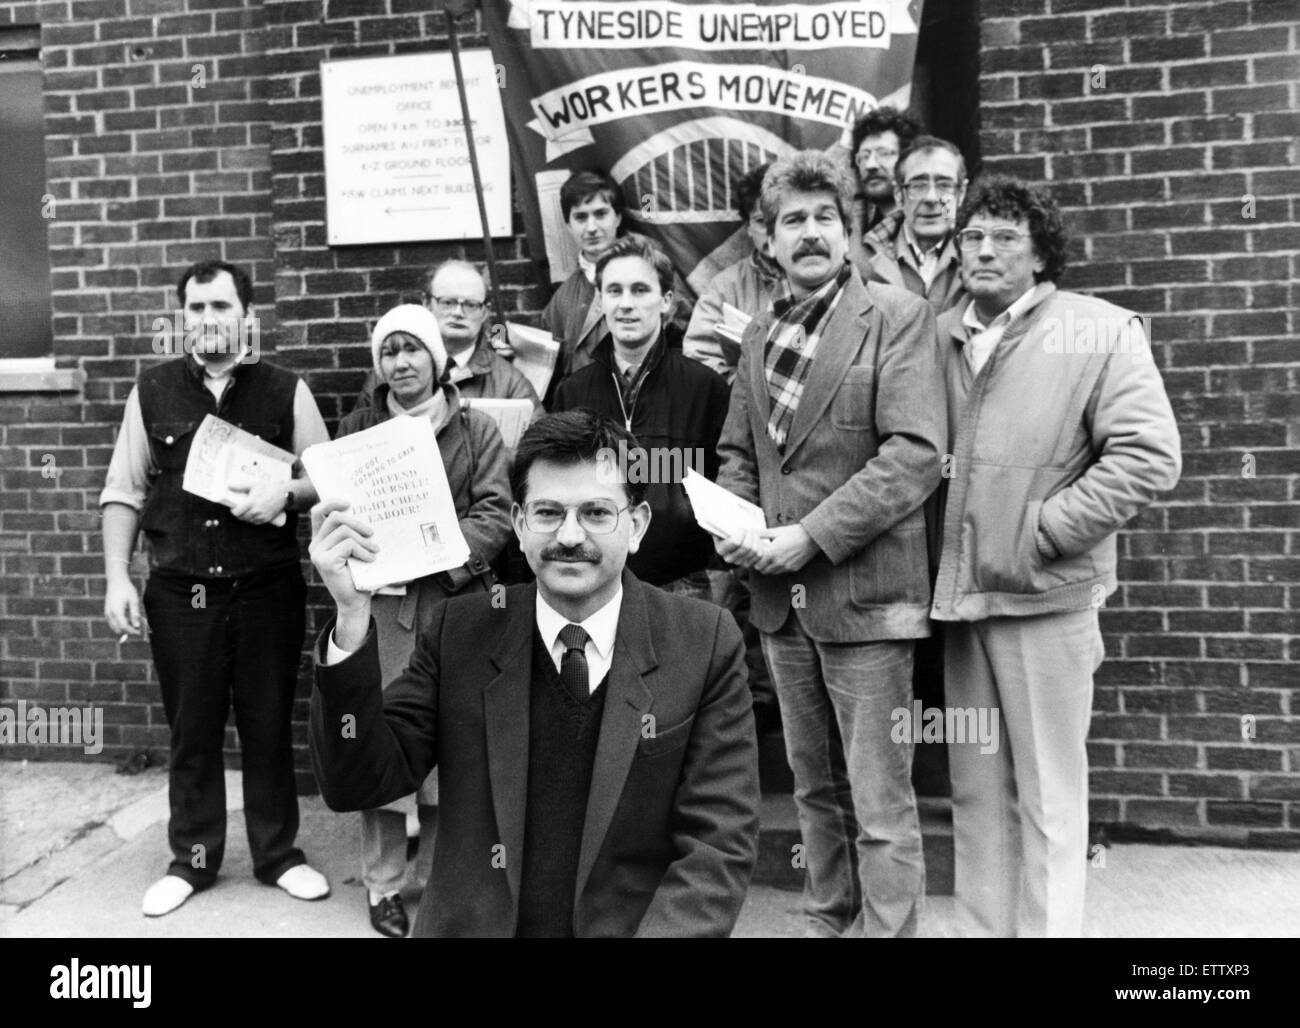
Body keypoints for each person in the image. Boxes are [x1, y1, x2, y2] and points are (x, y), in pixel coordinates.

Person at [308, 409, 760, 937]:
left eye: (595, 512)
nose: (569, 536)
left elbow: (719, 842)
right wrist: (351, 617)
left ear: (636, 526)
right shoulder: (462, 631)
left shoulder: (702, 642)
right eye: (548, 513)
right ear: (520, 525)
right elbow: (357, 781)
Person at [932, 177, 1181, 937]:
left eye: (1005, 237)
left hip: (1046, 601)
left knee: (1048, 798)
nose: (983, 249)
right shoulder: (937, 335)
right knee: (976, 795)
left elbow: (1148, 456)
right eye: (972, 235)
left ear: (1042, 254)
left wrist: (1041, 531)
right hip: (961, 604)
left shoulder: (1098, 330)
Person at [715, 151, 946, 938]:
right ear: (768, 241)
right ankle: (825, 915)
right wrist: (742, 529)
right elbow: (740, 453)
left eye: (824, 218)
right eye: (793, 222)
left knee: (880, 799)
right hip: (782, 604)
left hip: (867, 597)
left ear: (849, 233)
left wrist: (807, 538)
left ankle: (887, 932)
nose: (809, 234)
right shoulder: (758, 333)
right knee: (814, 786)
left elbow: (913, 456)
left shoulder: (898, 316)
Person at [100, 259, 331, 917]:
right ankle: (192, 861)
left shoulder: (287, 390)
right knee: (192, 727)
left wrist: (286, 491)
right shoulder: (151, 391)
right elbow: (124, 489)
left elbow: (326, 477)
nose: (208, 320)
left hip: (266, 588)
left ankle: (278, 855)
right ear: (182, 320)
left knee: (267, 721)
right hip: (179, 591)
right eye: (196, 309)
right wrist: (118, 576)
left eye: (221, 307)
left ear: (246, 317)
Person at [337, 303, 513, 938]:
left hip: (453, 607)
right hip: (384, 612)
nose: (401, 362)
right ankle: (382, 886)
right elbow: (337, 511)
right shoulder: (358, 428)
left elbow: (496, 514)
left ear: (437, 359)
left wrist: (438, 558)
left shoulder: (477, 431)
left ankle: (439, 880)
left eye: (413, 349)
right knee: (384, 747)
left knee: (451, 748)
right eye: (389, 351)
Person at [552, 236, 728, 599]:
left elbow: (727, 482)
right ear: (601, 300)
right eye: (614, 291)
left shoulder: (705, 388)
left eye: (640, 290)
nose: (627, 304)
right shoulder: (571, 393)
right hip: (595, 579)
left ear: (665, 301)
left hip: (685, 583)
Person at [537, 170, 689, 401]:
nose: (591, 227)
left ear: (617, 217)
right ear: (568, 224)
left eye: (600, 214)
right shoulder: (562, 298)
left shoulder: (653, 271)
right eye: (580, 217)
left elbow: (682, 340)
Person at [352, 262, 541, 415]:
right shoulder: (388, 375)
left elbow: (537, 447)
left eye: (471, 304)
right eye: (447, 302)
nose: (458, 313)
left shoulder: (510, 382)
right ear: (427, 304)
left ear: (485, 312)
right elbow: (359, 443)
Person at [682, 162, 783, 384]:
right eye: (761, 221)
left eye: (780, 218)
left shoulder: (825, 277)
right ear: (747, 227)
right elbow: (698, 358)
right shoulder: (725, 287)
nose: (772, 231)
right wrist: (749, 387)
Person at [855, 135, 969, 314]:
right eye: (918, 185)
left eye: (944, 185)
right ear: (899, 195)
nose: (931, 198)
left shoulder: (978, 255)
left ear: (961, 194)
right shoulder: (863, 262)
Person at [848, 106, 924, 234]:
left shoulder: (936, 217)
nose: (870, 165)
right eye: (864, 156)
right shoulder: (860, 230)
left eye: (884, 153)